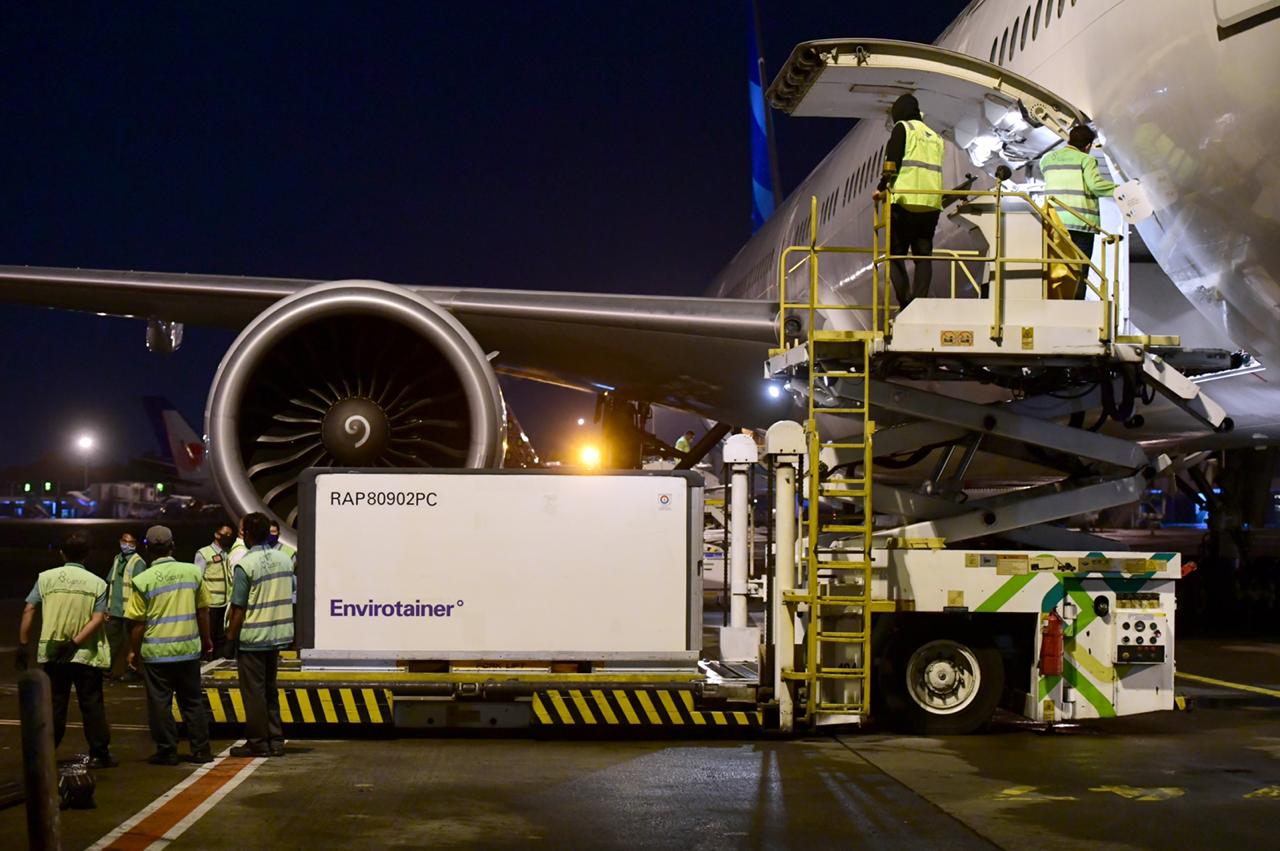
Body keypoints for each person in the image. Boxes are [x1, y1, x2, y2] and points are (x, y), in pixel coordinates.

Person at [16, 533, 116, 768]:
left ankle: (46, 752)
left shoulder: (45, 579)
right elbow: (98, 618)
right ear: (87, 555)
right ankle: (99, 754)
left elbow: (29, 610)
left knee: (55, 705)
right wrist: (75, 643)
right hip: (85, 654)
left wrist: (23, 645)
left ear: (62, 553)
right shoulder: (97, 583)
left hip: (53, 654)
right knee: (91, 705)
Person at [126, 525, 214, 765]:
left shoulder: (142, 580)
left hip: (156, 653)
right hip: (187, 650)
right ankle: (201, 750)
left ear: (147, 549)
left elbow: (137, 624)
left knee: (160, 705)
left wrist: (134, 651)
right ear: (172, 546)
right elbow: (203, 611)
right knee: (193, 701)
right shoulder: (192, 573)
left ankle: (167, 751)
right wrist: (206, 639)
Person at [225, 512, 296, 757]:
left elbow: (238, 608)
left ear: (250, 535)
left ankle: (257, 741)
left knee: (254, 693)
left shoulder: (245, 564)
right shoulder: (285, 560)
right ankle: (276, 739)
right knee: (269, 689)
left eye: (243, 531)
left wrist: (231, 639)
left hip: (253, 638)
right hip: (278, 635)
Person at [873, 93, 945, 309]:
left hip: (904, 201)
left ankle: (906, 302)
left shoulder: (903, 128)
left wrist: (881, 187)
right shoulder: (935, 136)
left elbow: (892, 161)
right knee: (924, 255)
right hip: (930, 204)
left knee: (895, 255)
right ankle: (920, 302)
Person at [1039, 124, 1116, 298]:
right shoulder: (1085, 160)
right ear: (1088, 146)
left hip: (1053, 224)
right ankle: (1075, 305)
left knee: (1054, 268)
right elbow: (1096, 186)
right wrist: (1121, 190)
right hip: (1081, 224)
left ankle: (1052, 303)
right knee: (1079, 271)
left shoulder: (1047, 159)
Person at [104, 531, 147, 679]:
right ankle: (106, 670)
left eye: (131, 542)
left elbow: (140, 589)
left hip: (130, 612)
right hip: (115, 610)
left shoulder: (138, 562)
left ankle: (132, 670)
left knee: (131, 644)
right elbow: (111, 583)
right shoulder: (117, 559)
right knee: (111, 643)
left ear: (135, 544)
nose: (127, 545)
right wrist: (107, 607)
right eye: (124, 541)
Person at [193, 524, 238, 654]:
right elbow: (198, 579)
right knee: (209, 636)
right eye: (226, 534)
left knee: (221, 637)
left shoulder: (227, 553)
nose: (228, 537)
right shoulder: (204, 553)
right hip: (210, 604)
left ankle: (218, 660)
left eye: (230, 534)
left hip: (225, 603)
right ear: (217, 535)